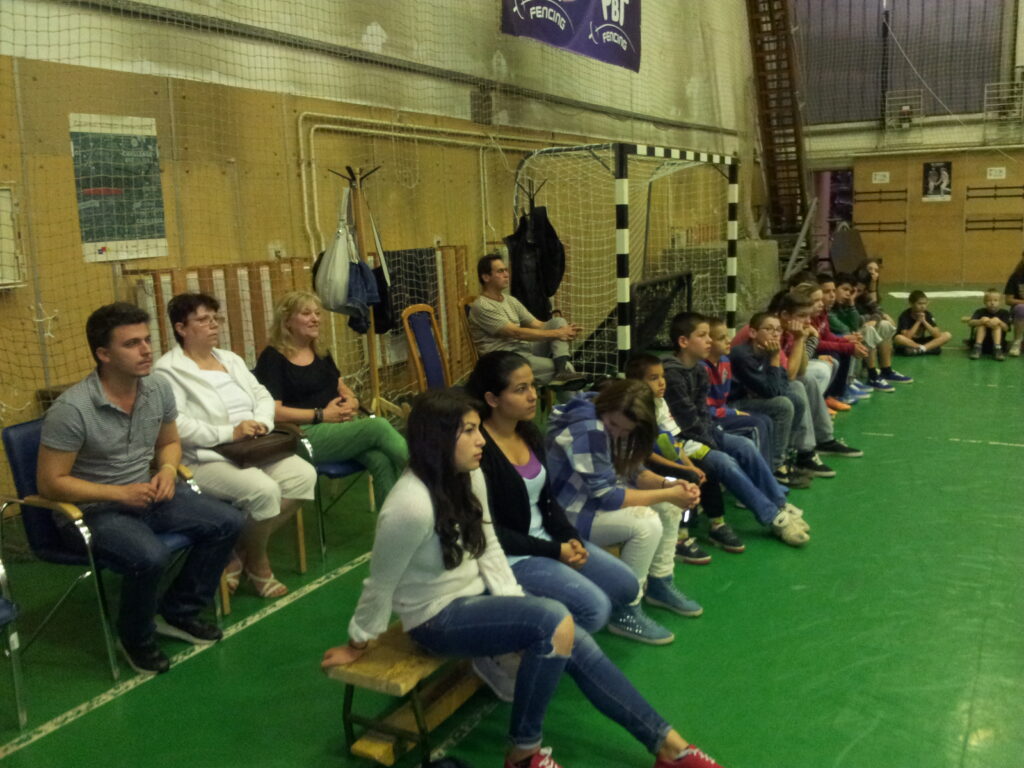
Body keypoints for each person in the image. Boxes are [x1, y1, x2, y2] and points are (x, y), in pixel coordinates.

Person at [320, 389, 724, 768]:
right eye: (469, 430)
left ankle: (668, 745)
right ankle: (524, 752)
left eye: (478, 428)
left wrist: (515, 604)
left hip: (477, 596)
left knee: (568, 633)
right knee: (554, 620)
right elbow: (380, 582)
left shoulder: (468, 475)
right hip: (434, 618)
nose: (481, 440)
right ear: (437, 439)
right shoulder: (409, 505)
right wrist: (359, 641)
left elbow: (489, 546)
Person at [37, 302, 244, 675]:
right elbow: (51, 484)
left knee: (228, 521)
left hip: (146, 495)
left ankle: (178, 612)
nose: (146, 350)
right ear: (104, 354)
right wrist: (120, 494)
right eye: (132, 344)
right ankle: (135, 637)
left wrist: (166, 470)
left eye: (147, 340)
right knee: (149, 556)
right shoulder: (72, 410)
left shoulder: (157, 388)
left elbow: (169, 442)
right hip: (91, 511)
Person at [154, 293, 317, 598]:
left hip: (253, 447)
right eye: (203, 319)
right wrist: (230, 432)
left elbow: (262, 395)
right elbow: (178, 426)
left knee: (303, 476)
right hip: (204, 458)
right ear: (181, 328)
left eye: (215, 318)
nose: (213, 325)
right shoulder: (166, 371)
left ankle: (238, 550)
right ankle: (259, 563)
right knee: (264, 491)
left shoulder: (230, 359)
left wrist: (262, 423)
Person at [466, 351, 639, 638]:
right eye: (520, 389)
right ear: (492, 399)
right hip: (513, 556)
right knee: (596, 609)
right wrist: (555, 552)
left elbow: (547, 501)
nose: (533, 395)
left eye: (533, 385)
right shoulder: (479, 450)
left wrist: (569, 537)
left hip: (549, 541)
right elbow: (493, 533)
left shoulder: (529, 433)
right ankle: (531, 640)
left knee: (626, 585)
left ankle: (551, 614)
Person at [545, 380, 704, 645]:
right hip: (567, 514)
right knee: (647, 524)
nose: (618, 432)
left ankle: (660, 583)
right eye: (614, 425)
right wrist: (668, 493)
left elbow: (634, 472)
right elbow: (608, 497)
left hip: (591, 502)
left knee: (668, 507)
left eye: (626, 430)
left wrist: (670, 485)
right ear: (606, 408)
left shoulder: (615, 416)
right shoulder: (588, 428)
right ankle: (626, 608)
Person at [663, 311, 810, 548]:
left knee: (744, 445)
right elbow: (688, 422)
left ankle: (779, 503)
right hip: (680, 442)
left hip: (703, 433)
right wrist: (713, 445)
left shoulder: (698, 371)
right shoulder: (671, 374)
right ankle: (773, 517)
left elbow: (702, 414)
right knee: (724, 461)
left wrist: (713, 437)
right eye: (702, 335)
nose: (709, 340)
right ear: (683, 342)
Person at [254, 291, 407, 502]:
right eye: (306, 313)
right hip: (302, 434)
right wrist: (321, 415)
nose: (315, 319)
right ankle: (434, 477)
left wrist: (352, 400)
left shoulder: (321, 351)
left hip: (338, 427)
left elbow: (340, 385)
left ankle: (395, 521)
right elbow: (273, 412)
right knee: (378, 426)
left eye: (317, 313)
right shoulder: (272, 357)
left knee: (380, 460)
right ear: (287, 321)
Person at [624, 354, 744, 565]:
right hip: (646, 464)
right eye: (653, 378)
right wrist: (684, 470)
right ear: (636, 383)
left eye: (662, 376)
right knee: (688, 479)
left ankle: (717, 524)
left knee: (706, 469)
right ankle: (681, 537)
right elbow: (645, 454)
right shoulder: (633, 410)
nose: (662, 383)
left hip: (666, 457)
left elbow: (673, 442)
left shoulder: (660, 403)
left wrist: (689, 465)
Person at [468, 254, 584, 386]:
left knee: (558, 322)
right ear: (486, 277)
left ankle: (562, 371)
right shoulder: (482, 306)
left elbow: (538, 325)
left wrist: (566, 332)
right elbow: (516, 333)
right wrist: (558, 334)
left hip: (523, 349)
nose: (506, 274)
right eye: (500, 271)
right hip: (505, 360)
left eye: (506, 270)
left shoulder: (510, 300)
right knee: (562, 366)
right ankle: (563, 372)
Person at [831, 273, 911, 388]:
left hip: (856, 330)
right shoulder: (839, 302)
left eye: (859, 291)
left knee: (885, 325)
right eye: (848, 290)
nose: (852, 294)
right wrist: (861, 313)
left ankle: (886, 370)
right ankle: (872, 375)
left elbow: (879, 311)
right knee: (869, 329)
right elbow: (851, 325)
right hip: (849, 333)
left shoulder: (862, 297)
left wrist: (874, 319)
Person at [894, 290, 953, 355]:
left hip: (922, 342)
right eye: (919, 304)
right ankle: (924, 349)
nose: (923, 306)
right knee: (898, 338)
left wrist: (924, 321)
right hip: (909, 342)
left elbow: (937, 335)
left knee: (947, 335)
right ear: (911, 303)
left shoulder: (927, 314)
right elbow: (907, 337)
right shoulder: (904, 316)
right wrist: (918, 321)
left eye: (925, 303)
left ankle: (921, 349)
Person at [965, 289, 1010, 361]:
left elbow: (1007, 328)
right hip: (983, 344)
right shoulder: (980, 311)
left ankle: (997, 349)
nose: (992, 303)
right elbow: (971, 323)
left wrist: (1000, 322)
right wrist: (980, 321)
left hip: (999, 344)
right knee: (982, 325)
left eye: (995, 300)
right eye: (989, 300)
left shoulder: (1004, 313)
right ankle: (977, 347)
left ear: (1000, 302)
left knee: (997, 326)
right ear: (984, 302)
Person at [1002, 253, 1024, 356]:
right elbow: (1008, 300)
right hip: (1019, 310)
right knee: (1021, 308)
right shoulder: (1016, 277)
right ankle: (1017, 342)